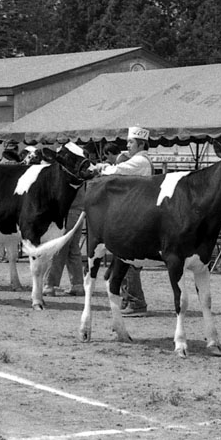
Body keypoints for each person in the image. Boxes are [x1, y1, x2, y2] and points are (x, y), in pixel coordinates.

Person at [95, 127, 154, 316]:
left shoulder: (139, 161)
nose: (127, 145)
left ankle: (136, 303)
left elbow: (117, 170)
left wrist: (99, 167)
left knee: (130, 259)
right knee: (127, 259)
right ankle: (129, 298)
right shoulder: (141, 160)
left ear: (141, 144)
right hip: (138, 212)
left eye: (130, 142)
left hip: (136, 215)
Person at [43, 183, 85, 297]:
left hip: (66, 211)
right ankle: (78, 285)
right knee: (74, 249)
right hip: (79, 211)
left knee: (59, 248)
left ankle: (49, 284)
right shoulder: (81, 175)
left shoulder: (67, 173)